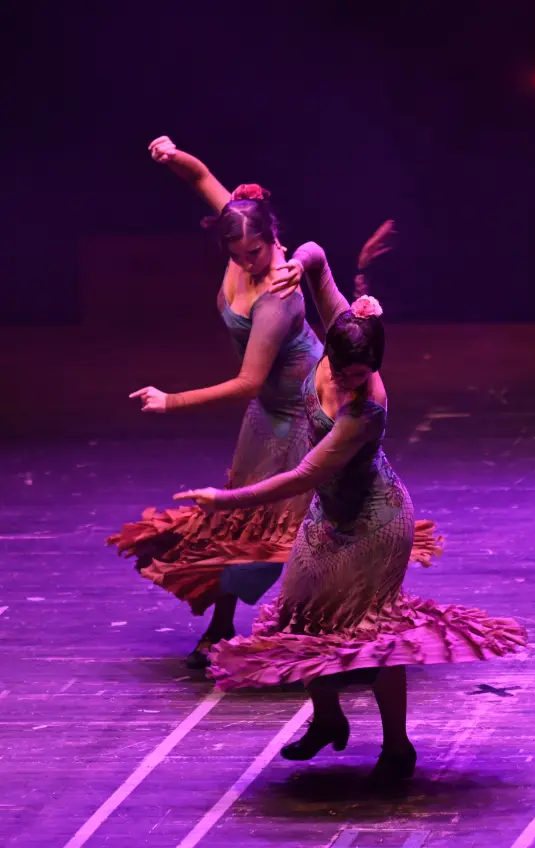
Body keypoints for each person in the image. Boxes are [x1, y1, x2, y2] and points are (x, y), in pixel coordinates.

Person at [175, 243, 526, 784]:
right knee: (300, 614)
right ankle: (327, 718)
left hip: (375, 521)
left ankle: (397, 748)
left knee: (372, 635)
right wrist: (301, 263)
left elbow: (304, 474)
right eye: (344, 371)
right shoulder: (346, 328)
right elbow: (318, 261)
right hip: (328, 513)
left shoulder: (367, 410)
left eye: (362, 374)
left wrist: (225, 501)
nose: (349, 381)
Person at [108, 136, 324, 669]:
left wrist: (172, 401)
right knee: (237, 514)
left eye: (255, 253)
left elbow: (248, 381)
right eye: (236, 255)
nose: (247, 262)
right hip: (269, 410)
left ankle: (321, 627)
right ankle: (222, 623)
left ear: (272, 236)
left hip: (305, 409)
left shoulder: (278, 293)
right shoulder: (241, 224)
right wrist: (171, 155)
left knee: (296, 523)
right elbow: (202, 177)